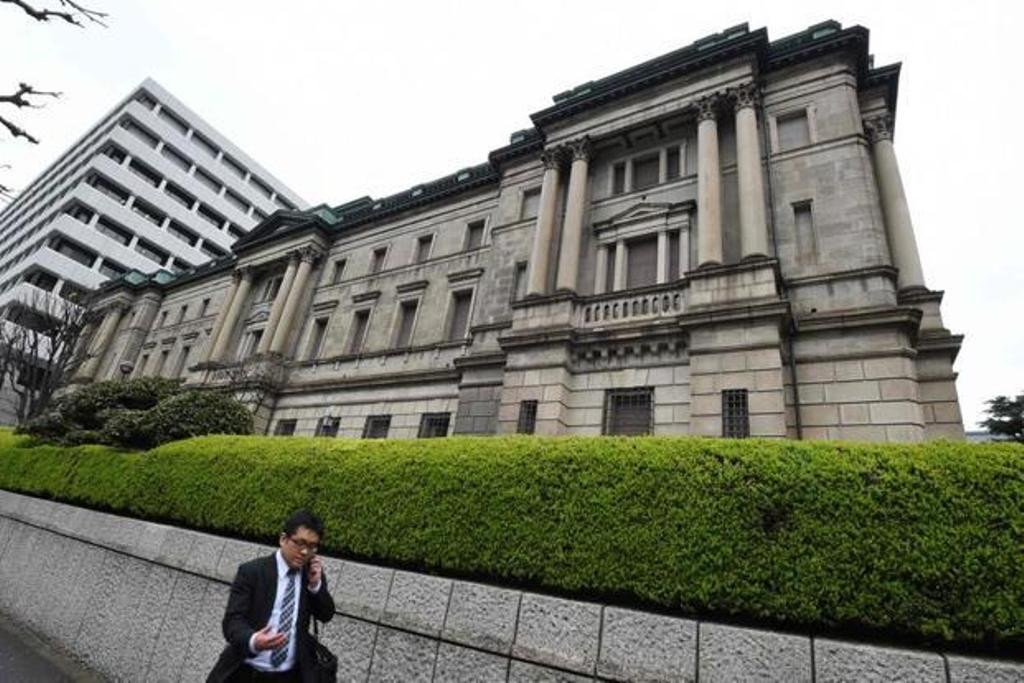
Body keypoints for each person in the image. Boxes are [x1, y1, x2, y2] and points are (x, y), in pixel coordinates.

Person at [207, 510, 335, 683]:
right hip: (246, 672)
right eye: (300, 543)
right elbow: (232, 622)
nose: (305, 552)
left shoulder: (311, 575)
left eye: (312, 546)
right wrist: (254, 640)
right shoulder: (252, 572)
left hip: (290, 676)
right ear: (283, 539)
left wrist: (315, 586)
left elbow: (326, 615)